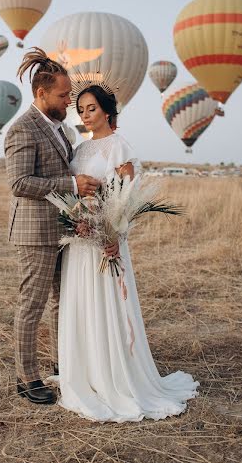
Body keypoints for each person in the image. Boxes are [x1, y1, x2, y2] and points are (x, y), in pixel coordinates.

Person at [56, 84, 200, 422]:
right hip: (80, 242)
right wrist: (76, 219)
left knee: (105, 304)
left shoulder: (120, 148)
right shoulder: (79, 148)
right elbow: (74, 192)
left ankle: (115, 375)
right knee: (82, 302)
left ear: (107, 110)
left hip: (105, 241)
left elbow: (125, 202)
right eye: (81, 109)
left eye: (91, 108)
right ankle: (87, 371)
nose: (84, 115)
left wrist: (114, 236)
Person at [4, 48, 103, 405]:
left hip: (63, 229)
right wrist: (72, 185)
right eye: (63, 95)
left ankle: (64, 364)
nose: (68, 101)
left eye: (69, 95)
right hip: (34, 233)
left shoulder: (61, 130)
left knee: (64, 302)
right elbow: (19, 183)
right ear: (41, 93)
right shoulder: (22, 129)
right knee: (32, 304)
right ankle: (26, 377)